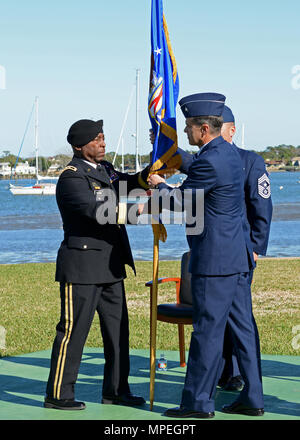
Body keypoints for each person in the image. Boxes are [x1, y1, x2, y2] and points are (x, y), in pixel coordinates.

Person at [148, 93, 264, 418]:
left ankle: (198, 404)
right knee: (243, 331)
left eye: (186, 127)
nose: (185, 132)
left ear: (202, 130)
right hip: (236, 259)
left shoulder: (211, 160)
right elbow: (196, 166)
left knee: (207, 333)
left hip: (215, 264)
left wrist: (158, 185)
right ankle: (252, 398)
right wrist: (168, 146)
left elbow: (181, 201)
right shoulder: (226, 154)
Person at [44, 119, 148, 410]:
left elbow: (128, 182)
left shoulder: (104, 169)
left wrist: (152, 173)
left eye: (103, 138)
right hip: (82, 267)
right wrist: (135, 209)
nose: (103, 143)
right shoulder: (71, 177)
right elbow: (95, 210)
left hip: (111, 265)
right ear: (79, 146)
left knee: (118, 333)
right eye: (97, 139)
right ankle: (59, 394)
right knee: (73, 332)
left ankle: (116, 390)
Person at [218, 105, 273, 390]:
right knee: (219, 316)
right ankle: (223, 371)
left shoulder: (249, 161)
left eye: (221, 129)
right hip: (213, 254)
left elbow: (261, 205)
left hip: (241, 251)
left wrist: (255, 246)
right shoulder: (206, 160)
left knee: (239, 316)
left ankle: (239, 373)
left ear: (232, 130)